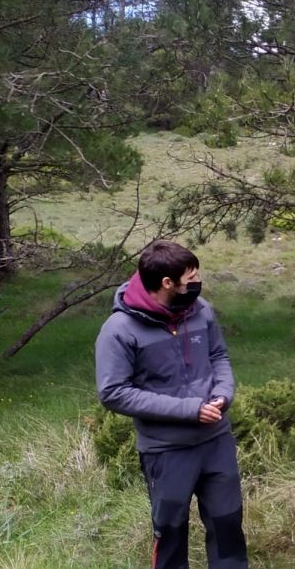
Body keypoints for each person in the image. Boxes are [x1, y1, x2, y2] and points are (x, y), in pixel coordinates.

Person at [95, 240, 249, 569]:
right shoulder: (119, 331)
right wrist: (190, 410)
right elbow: (114, 392)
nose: (197, 282)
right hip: (166, 451)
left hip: (216, 441)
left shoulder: (201, 310)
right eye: (191, 277)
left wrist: (224, 393)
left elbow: (219, 355)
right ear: (168, 283)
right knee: (171, 534)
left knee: (228, 527)